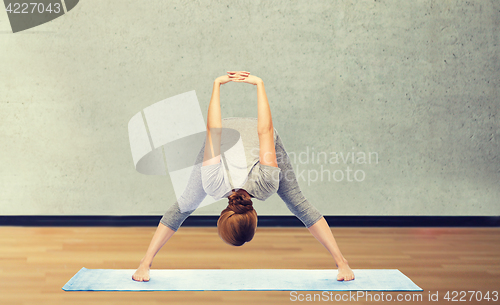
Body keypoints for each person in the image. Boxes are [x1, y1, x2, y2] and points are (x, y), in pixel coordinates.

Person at [132, 71, 355, 282]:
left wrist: (234, 85)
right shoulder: (259, 183)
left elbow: (223, 132)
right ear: (222, 215)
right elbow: (248, 131)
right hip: (228, 134)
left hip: (230, 136)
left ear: (255, 218)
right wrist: (237, 85)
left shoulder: (218, 182)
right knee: (298, 204)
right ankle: (341, 262)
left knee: (185, 205)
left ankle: (145, 263)